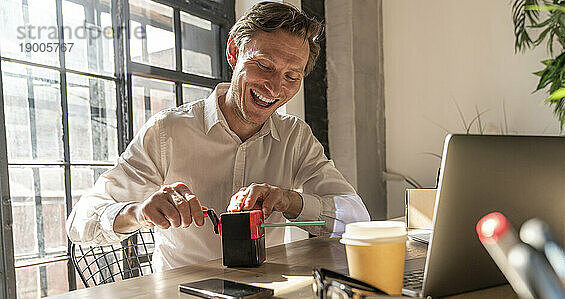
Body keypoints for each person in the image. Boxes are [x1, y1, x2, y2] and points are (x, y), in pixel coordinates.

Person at [66, 1, 370, 270]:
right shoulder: (167, 131)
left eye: (292, 76)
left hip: (268, 296)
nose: (275, 89)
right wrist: (138, 212)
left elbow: (358, 221)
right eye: (264, 65)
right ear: (234, 52)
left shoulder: (295, 137)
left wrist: (289, 200)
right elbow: (80, 223)